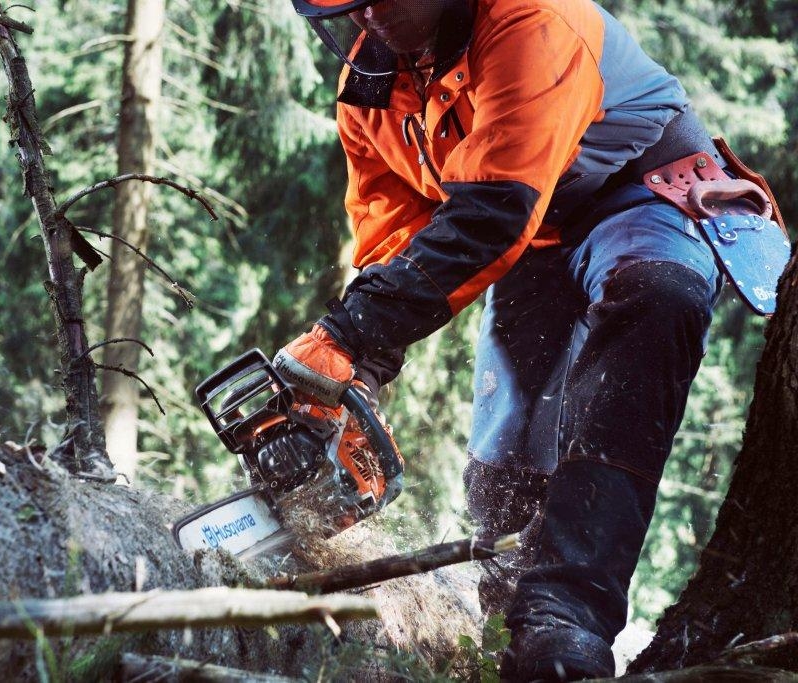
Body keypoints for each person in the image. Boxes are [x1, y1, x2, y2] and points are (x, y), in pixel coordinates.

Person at [266, 0, 784, 679]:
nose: (370, 17)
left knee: (656, 297)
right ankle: (509, 623)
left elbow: (492, 212)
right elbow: (398, 231)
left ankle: (566, 620)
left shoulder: (531, 19)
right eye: (349, 5)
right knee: (508, 445)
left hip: (639, 196)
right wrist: (360, 360)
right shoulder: (370, 88)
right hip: (531, 232)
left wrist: (348, 332)